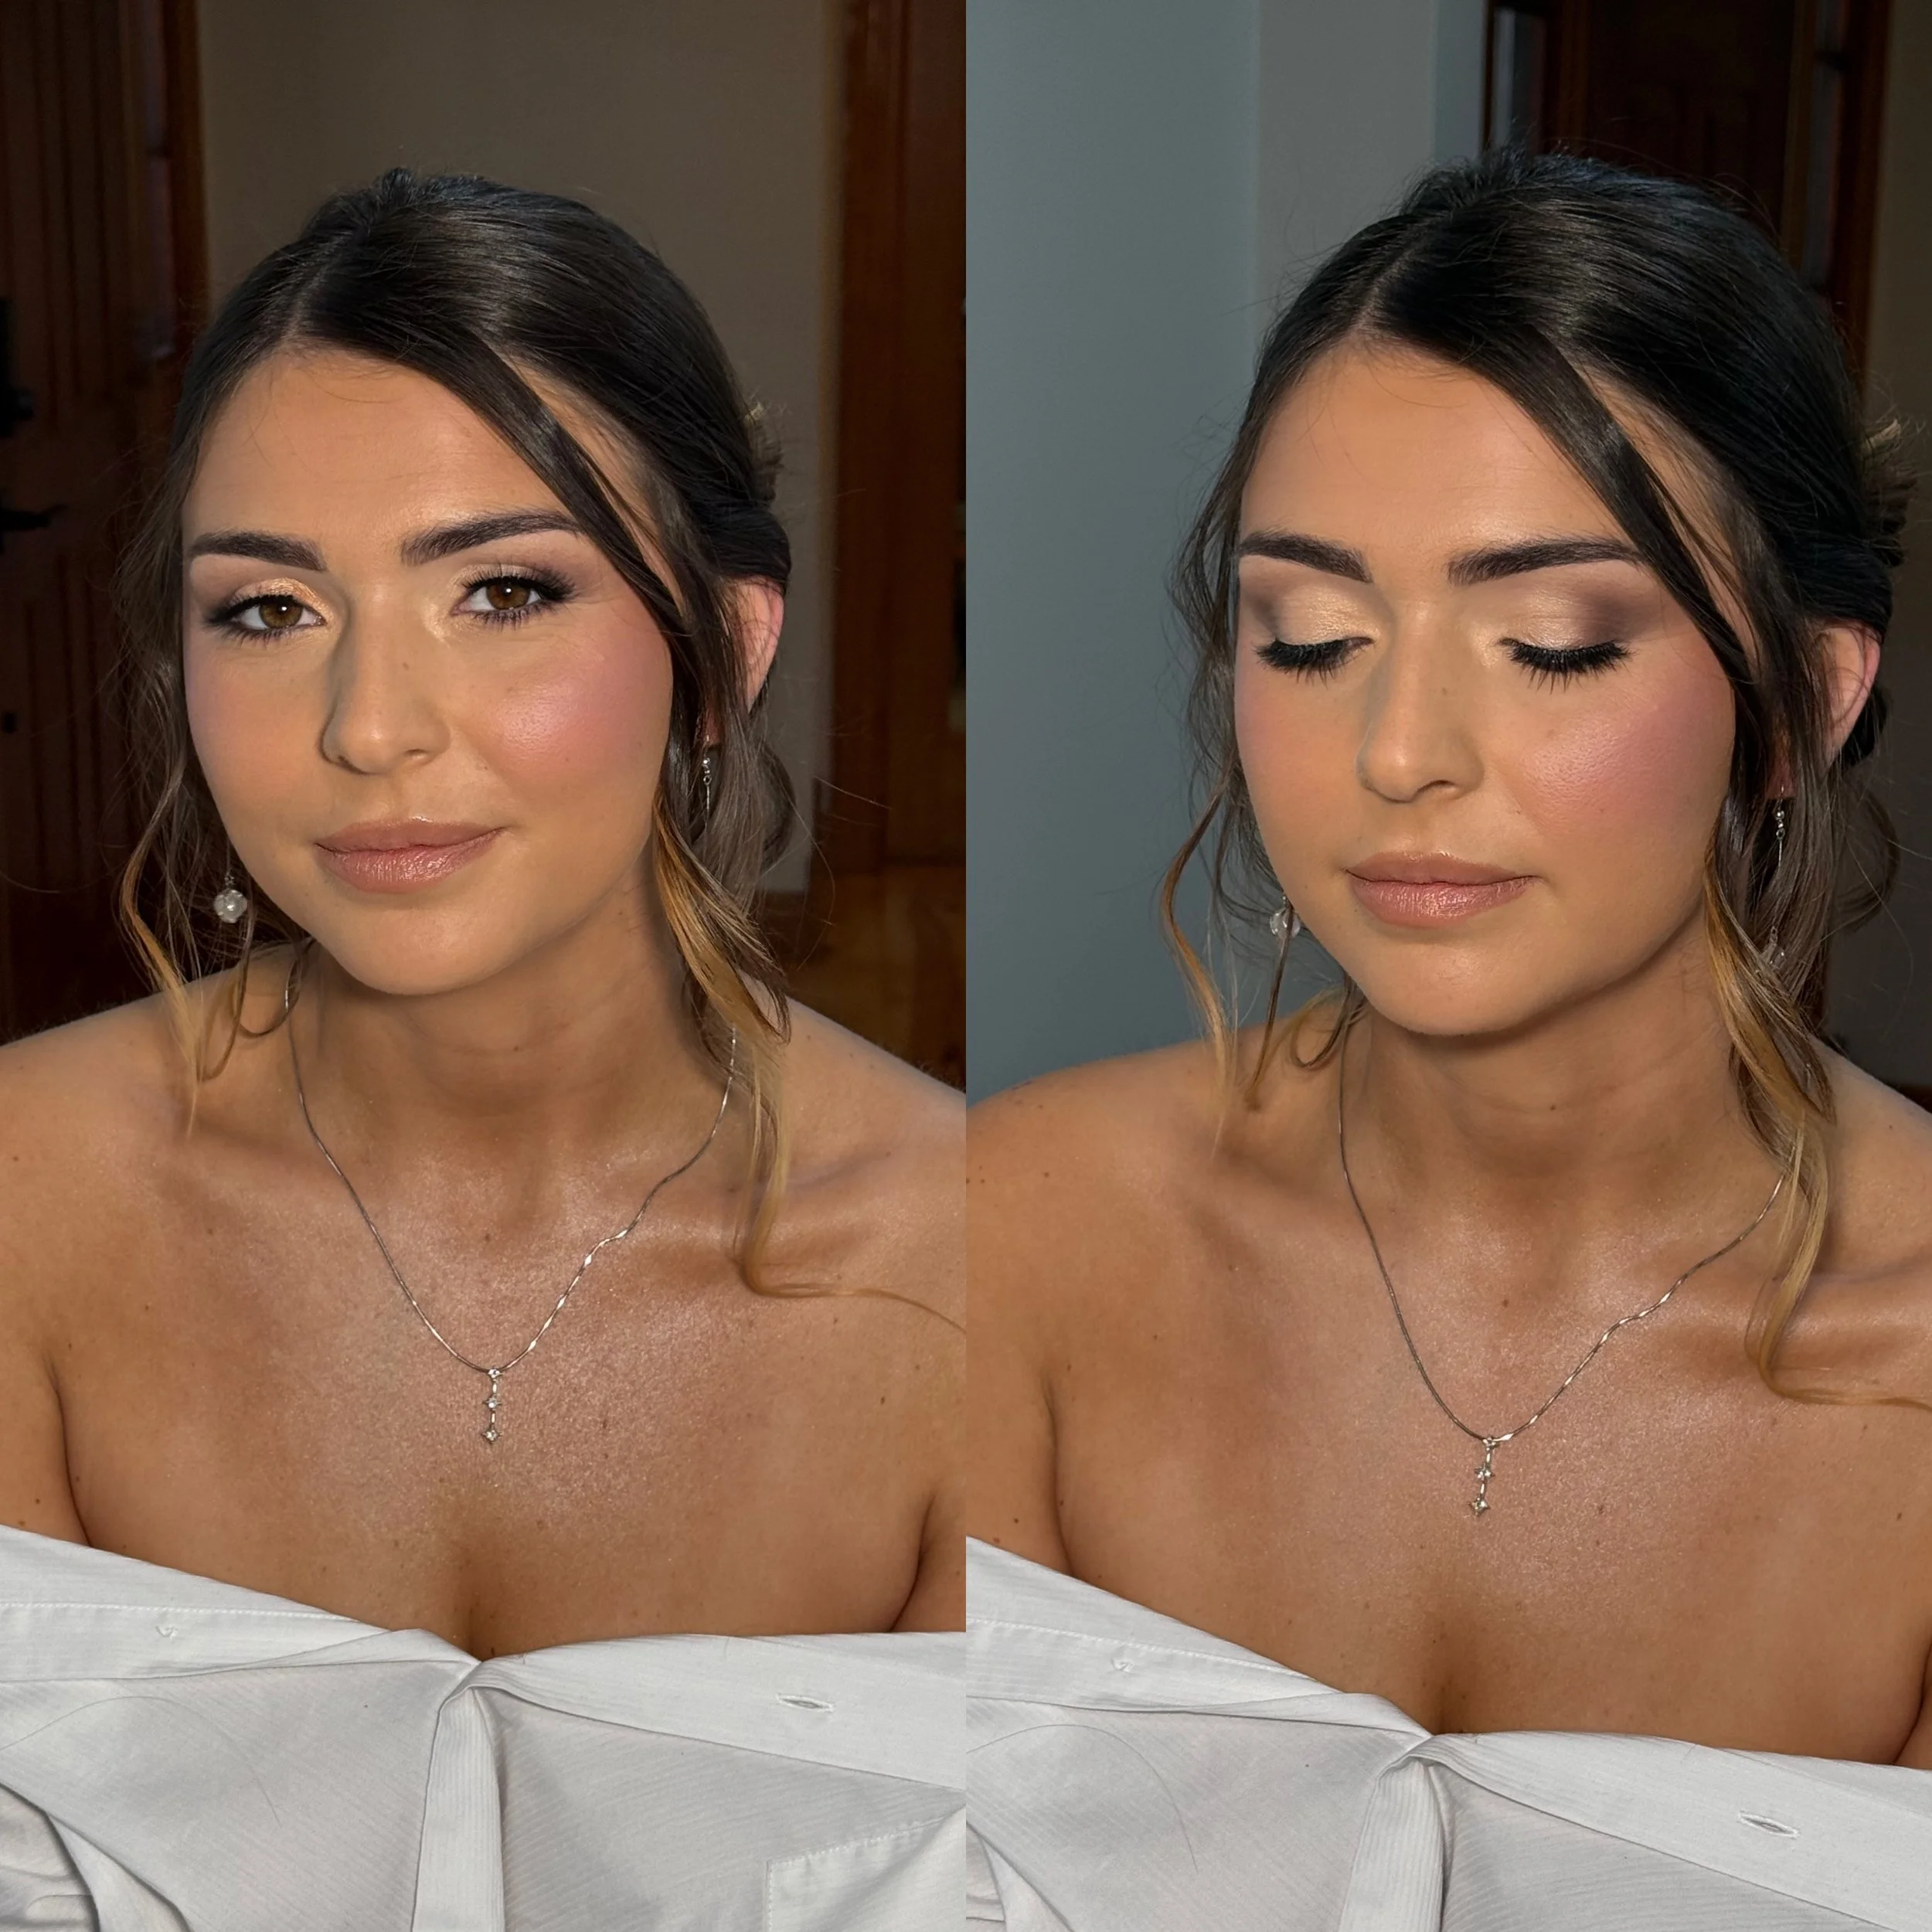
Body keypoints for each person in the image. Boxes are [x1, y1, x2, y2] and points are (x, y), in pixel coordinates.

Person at [968, 150, 1932, 1926]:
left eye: (1551, 643)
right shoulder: (1012, 1235)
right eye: (1312, 634)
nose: (1398, 748)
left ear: (1798, 699)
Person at [0, 172, 962, 1921]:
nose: (368, 727)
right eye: (268, 610)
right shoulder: (24, 1197)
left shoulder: (985, 1268)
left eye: (503, 593)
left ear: (723, 647)